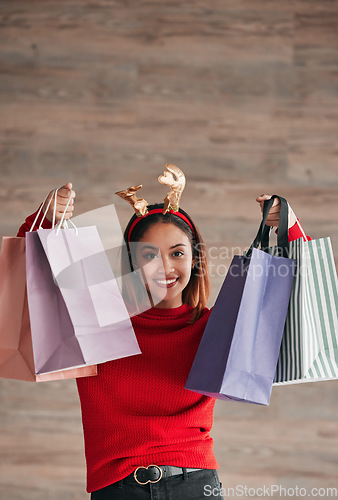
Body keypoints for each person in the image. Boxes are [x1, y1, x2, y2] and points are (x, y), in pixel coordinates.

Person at [17, 169, 306, 499]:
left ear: (195, 258)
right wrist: (41, 222)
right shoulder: (97, 323)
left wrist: (289, 229)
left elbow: (297, 305)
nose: (165, 267)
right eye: (149, 254)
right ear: (130, 261)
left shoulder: (216, 326)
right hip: (116, 489)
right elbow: (32, 288)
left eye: (177, 252)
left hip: (195, 486)